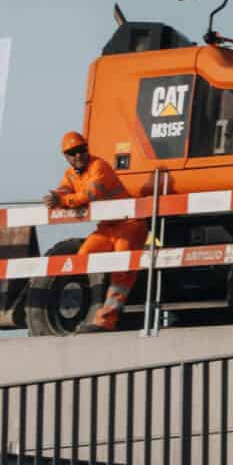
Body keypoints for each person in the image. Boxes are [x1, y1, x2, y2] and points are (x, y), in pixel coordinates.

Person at [44, 130, 148, 331]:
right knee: (83, 257)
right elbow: (64, 191)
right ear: (66, 157)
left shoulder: (99, 166)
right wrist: (56, 198)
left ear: (87, 149)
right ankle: (94, 307)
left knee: (121, 269)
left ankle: (107, 320)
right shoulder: (71, 175)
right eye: (72, 152)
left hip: (129, 224)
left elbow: (92, 193)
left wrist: (63, 201)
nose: (78, 155)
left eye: (81, 150)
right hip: (107, 228)